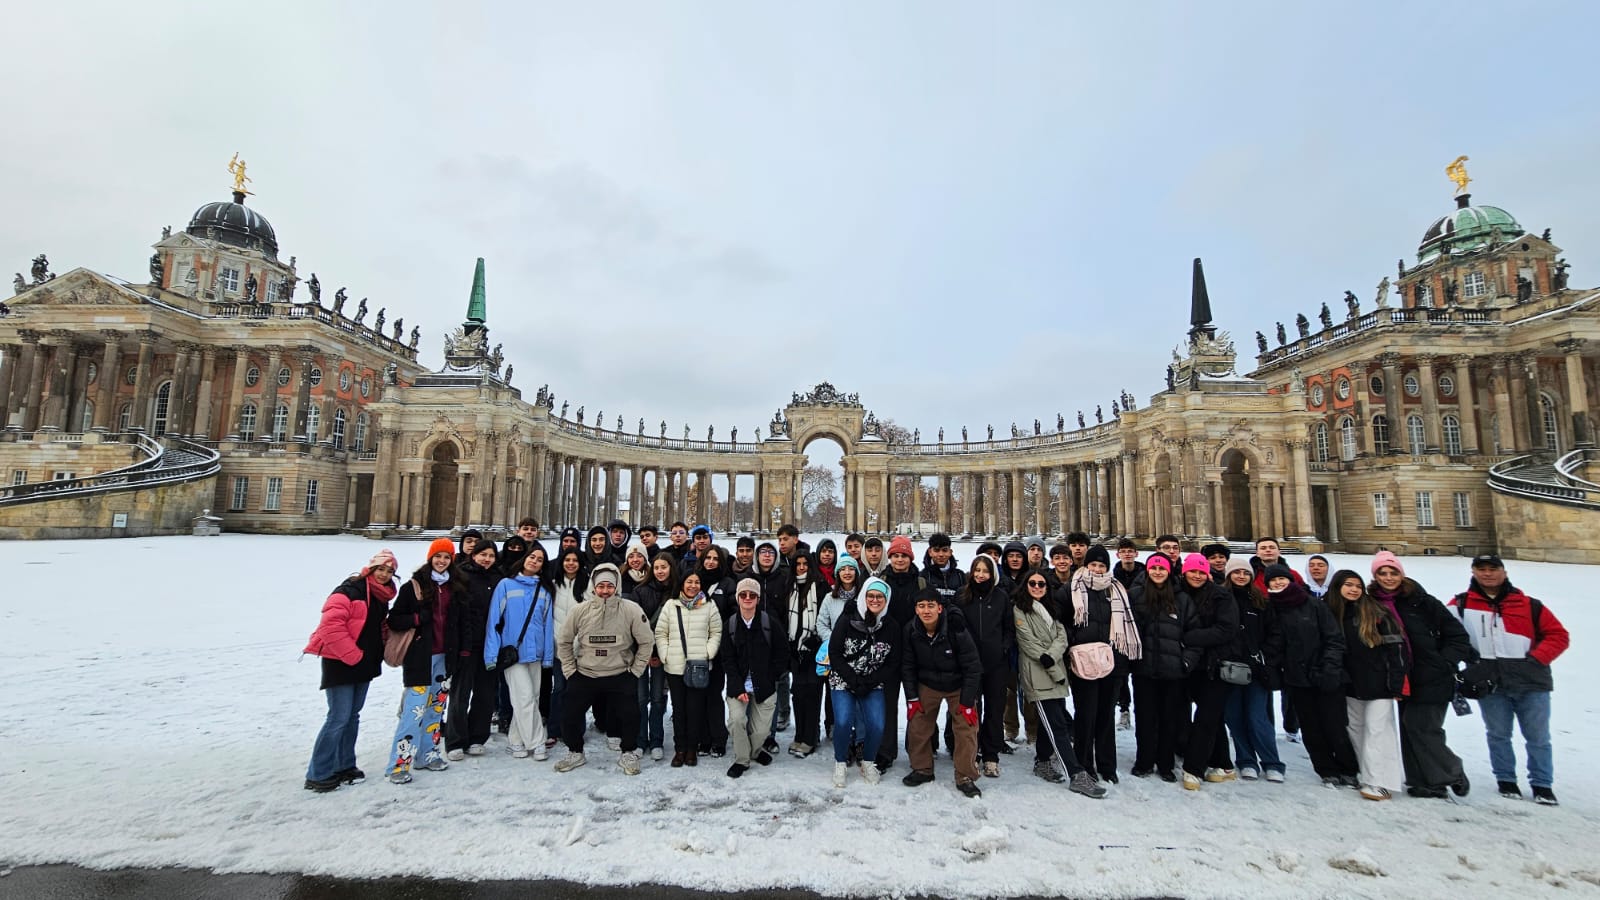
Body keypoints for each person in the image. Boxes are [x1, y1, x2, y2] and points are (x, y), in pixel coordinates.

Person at [1451, 554, 1569, 805]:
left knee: (1538, 737)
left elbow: (1558, 635)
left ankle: (1542, 784)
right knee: (1498, 734)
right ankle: (1506, 780)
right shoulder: (1461, 604)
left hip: (1531, 681)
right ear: (1473, 572)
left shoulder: (1528, 604)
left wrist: (1535, 660)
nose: (1487, 573)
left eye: (1493, 568)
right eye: (1481, 569)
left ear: (1503, 572)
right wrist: (1469, 659)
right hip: (1489, 682)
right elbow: (1445, 633)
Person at [1371, 551, 1472, 799]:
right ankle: (1422, 782)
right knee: (1408, 728)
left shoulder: (1424, 602)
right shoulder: (1372, 604)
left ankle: (1451, 771)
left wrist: (1443, 662)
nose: (1388, 577)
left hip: (1433, 675)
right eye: (1382, 573)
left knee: (1421, 726)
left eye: (1393, 572)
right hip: (1401, 677)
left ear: (1401, 574)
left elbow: (1458, 637)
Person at [302, 549, 398, 792]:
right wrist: (353, 656)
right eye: (381, 569)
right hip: (341, 662)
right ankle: (318, 773)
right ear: (371, 569)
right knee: (338, 717)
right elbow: (330, 627)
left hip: (364, 663)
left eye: (389, 571)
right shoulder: (349, 590)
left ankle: (344, 765)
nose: (384, 574)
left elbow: (377, 627)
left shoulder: (381, 596)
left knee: (352, 716)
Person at [1262, 562, 1360, 787]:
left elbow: (1333, 638)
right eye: (1273, 580)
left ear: (1290, 580)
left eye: (1281, 579)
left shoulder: (1314, 605)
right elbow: (1274, 645)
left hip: (1326, 675)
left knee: (1335, 726)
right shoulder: (1271, 609)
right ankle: (1326, 769)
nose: (1278, 583)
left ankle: (1348, 768)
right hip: (1296, 678)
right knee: (1310, 728)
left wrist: (1330, 668)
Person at [553, 563, 655, 775]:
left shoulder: (631, 610)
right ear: (594, 587)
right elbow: (564, 641)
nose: (605, 590)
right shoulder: (580, 610)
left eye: (610, 586)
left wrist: (636, 671)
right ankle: (575, 751)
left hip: (620, 673)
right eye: (601, 586)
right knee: (569, 713)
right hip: (585, 673)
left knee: (630, 715)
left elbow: (647, 641)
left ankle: (628, 752)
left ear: (616, 586)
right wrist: (570, 670)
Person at [1012, 572, 1105, 798]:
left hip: (1054, 672)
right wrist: (1053, 666)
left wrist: (1052, 658)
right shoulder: (1019, 610)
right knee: (1057, 727)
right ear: (1025, 585)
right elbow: (1029, 643)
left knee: (1053, 722)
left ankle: (1043, 761)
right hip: (1038, 674)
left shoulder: (1051, 609)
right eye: (1032, 583)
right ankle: (1076, 775)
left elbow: (1061, 637)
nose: (1037, 587)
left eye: (1041, 584)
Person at [1327, 570, 1408, 801]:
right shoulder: (1331, 613)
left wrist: (1395, 683)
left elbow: (1396, 648)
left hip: (1379, 683)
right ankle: (1368, 775)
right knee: (1357, 730)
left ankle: (1383, 782)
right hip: (1350, 684)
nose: (1354, 590)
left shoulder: (1376, 612)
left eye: (1357, 586)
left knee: (1378, 732)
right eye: (1348, 585)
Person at [1065, 545, 1142, 784]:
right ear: (1086, 565)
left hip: (1112, 661)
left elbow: (1127, 625)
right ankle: (1084, 763)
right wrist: (1075, 641)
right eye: (1093, 564)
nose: (1097, 569)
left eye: (1101, 565)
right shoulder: (1072, 588)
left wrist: (1122, 660)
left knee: (1106, 715)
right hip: (1084, 661)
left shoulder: (1116, 589)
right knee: (1085, 715)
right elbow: (1061, 622)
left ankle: (1107, 765)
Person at [385, 540, 457, 784]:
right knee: (413, 711)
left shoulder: (455, 586)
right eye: (438, 556)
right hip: (420, 658)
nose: (442, 561)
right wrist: (417, 619)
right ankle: (399, 764)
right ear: (430, 558)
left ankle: (428, 753)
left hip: (444, 657)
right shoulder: (413, 586)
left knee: (436, 709)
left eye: (446, 557)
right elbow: (394, 619)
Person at [901, 588, 984, 797]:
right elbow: (907, 666)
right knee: (918, 724)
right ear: (916, 610)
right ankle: (922, 769)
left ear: (939, 608)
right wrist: (912, 698)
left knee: (966, 728)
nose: (926, 611)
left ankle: (965, 775)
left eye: (930, 606)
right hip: (928, 683)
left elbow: (973, 666)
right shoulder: (911, 630)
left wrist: (967, 702)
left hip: (958, 684)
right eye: (921, 606)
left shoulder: (956, 628)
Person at [827, 577, 901, 788]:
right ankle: (840, 762)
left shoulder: (891, 626)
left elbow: (893, 661)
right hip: (844, 679)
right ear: (863, 597)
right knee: (843, 721)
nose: (875, 600)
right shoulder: (847, 619)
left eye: (879, 597)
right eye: (870, 596)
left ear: (886, 600)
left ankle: (868, 762)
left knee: (877, 724)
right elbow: (834, 652)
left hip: (872, 681)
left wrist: (869, 681)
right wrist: (853, 680)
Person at [484, 546, 556, 761]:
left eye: (540, 559)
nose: (534, 561)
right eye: (532, 557)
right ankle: (537, 742)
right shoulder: (506, 585)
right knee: (524, 698)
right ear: (524, 559)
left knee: (530, 698)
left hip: (536, 653)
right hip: (512, 654)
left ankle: (516, 741)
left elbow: (547, 625)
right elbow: (494, 621)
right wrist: (491, 654)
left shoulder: (544, 590)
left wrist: (548, 656)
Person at [1218, 557, 1283, 782]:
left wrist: (1265, 655)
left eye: (1245, 573)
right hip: (1229, 668)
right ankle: (1246, 760)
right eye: (1236, 572)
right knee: (1234, 717)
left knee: (1258, 717)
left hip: (1256, 667)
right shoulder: (1220, 599)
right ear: (1229, 575)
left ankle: (1272, 762)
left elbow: (1274, 633)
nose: (1241, 576)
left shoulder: (1261, 601)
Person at [1128, 554, 1192, 782]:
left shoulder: (1181, 598)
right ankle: (1144, 761)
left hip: (1172, 669)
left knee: (1169, 718)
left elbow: (1192, 632)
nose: (1157, 572)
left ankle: (1166, 764)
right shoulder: (1135, 595)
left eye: (1161, 568)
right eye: (1153, 568)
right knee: (1145, 717)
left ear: (1168, 571)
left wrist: (1186, 660)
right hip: (1144, 667)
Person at [1177, 553, 1238, 790]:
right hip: (1190, 666)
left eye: (1201, 572)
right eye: (1193, 571)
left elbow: (1226, 630)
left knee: (1206, 717)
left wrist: (1189, 638)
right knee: (1213, 718)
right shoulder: (1178, 594)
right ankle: (1224, 764)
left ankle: (1193, 768)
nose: (1197, 576)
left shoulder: (1221, 596)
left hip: (1215, 665)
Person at [655, 570, 723, 767]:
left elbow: (716, 631)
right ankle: (680, 749)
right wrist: (665, 654)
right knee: (679, 710)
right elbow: (661, 632)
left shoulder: (709, 605)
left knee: (695, 709)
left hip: (698, 666)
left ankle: (692, 748)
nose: (693, 585)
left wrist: (708, 652)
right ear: (682, 584)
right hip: (675, 666)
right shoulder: (671, 605)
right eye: (689, 582)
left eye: (697, 582)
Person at [721, 578, 788, 778]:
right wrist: (737, 687)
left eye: (752, 595)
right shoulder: (730, 625)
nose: (747, 598)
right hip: (738, 686)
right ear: (738, 598)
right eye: (743, 594)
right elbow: (727, 660)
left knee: (760, 732)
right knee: (737, 721)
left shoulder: (770, 623)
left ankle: (755, 751)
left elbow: (782, 654)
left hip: (764, 686)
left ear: (758, 599)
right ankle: (742, 760)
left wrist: (770, 678)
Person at [955, 554, 1012, 777]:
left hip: (996, 664)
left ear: (992, 573)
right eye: (977, 570)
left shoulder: (1000, 597)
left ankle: (991, 755)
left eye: (985, 571)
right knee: (971, 709)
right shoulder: (962, 595)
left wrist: (1003, 648)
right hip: (970, 664)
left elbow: (1008, 628)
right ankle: (973, 752)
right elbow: (956, 625)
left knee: (995, 710)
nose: (980, 575)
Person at [445, 542, 500, 760]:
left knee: (485, 694)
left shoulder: (498, 578)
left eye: (491, 556)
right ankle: (455, 740)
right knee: (460, 693)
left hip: (490, 645)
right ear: (473, 555)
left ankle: (478, 737)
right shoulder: (461, 576)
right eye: (482, 555)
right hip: (466, 645)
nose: (487, 559)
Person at [631, 553, 677, 762]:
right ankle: (640, 740)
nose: (660, 571)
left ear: (671, 568)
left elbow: (673, 627)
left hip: (663, 653)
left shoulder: (676, 592)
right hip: (641, 653)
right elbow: (635, 624)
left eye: (664, 567)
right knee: (641, 698)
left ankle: (657, 740)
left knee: (658, 698)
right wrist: (647, 652)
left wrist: (658, 653)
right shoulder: (640, 591)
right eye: (656, 567)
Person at [785, 552, 827, 757]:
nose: (801, 568)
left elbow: (825, 617)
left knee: (813, 694)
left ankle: (810, 738)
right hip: (795, 649)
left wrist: (815, 639)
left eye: (805, 564)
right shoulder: (790, 587)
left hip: (815, 648)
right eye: (798, 564)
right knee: (798, 693)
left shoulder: (820, 586)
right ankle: (799, 734)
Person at [546, 547, 588, 748]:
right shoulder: (553, 585)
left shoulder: (587, 585)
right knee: (559, 688)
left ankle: (576, 730)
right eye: (567, 560)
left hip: (582, 648)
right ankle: (554, 729)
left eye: (575, 560)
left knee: (578, 691)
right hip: (559, 647)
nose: (571, 564)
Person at [922, 533, 964, 603]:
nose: (941, 554)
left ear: (950, 552)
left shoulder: (960, 576)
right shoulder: (923, 576)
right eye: (936, 550)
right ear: (930, 552)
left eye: (945, 550)